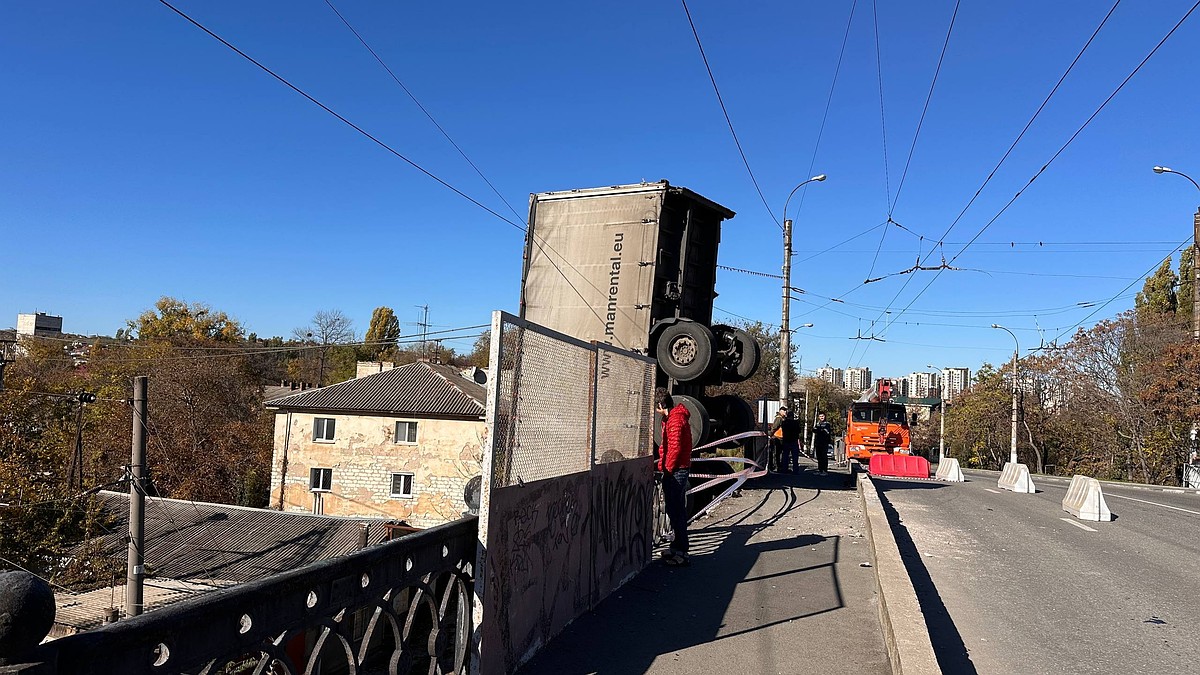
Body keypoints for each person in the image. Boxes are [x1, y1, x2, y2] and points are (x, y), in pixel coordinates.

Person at [655, 387, 692, 566]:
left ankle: (682, 552)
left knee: (676, 511)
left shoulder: (675, 420)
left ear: (661, 405)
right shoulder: (671, 418)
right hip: (676, 468)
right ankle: (677, 546)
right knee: (674, 509)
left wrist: (667, 468)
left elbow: (675, 448)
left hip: (677, 469)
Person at [771, 406, 802, 473]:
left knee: (785, 456)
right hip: (794, 440)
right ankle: (795, 470)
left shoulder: (784, 422)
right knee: (795, 457)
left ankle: (784, 469)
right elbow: (799, 431)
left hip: (786, 440)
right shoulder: (796, 423)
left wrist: (771, 434)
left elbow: (779, 429)